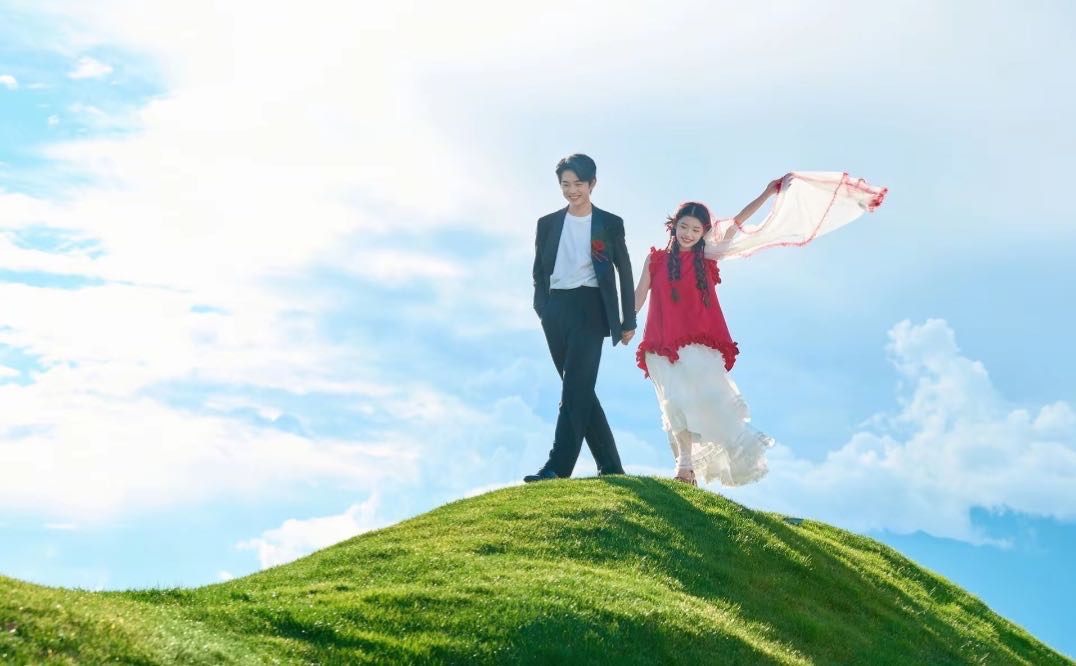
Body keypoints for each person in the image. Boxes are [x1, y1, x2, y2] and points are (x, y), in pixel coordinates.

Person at [633, 172, 888, 486]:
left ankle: (702, 464)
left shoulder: (708, 257)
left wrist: (767, 194)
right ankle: (684, 467)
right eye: (684, 227)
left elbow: (738, 223)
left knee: (708, 402)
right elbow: (639, 295)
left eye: (696, 230)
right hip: (660, 342)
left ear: (704, 234)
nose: (688, 234)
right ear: (674, 226)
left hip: (698, 343)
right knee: (674, 403)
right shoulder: (655, 260)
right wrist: (624, 323)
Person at [526, 153, 636, 482]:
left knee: (575, 388)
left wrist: (627, 320)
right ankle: (611, 467)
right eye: (565, 184)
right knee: (579, 388)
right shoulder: (547, 224)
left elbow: (624, 270)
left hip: (591, 308)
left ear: (592, 184)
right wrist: (543, 308)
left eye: (578, 184)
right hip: (555, 309)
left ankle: (556, 467)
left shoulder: (609, 223)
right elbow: (539, 271)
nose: (572, 190)